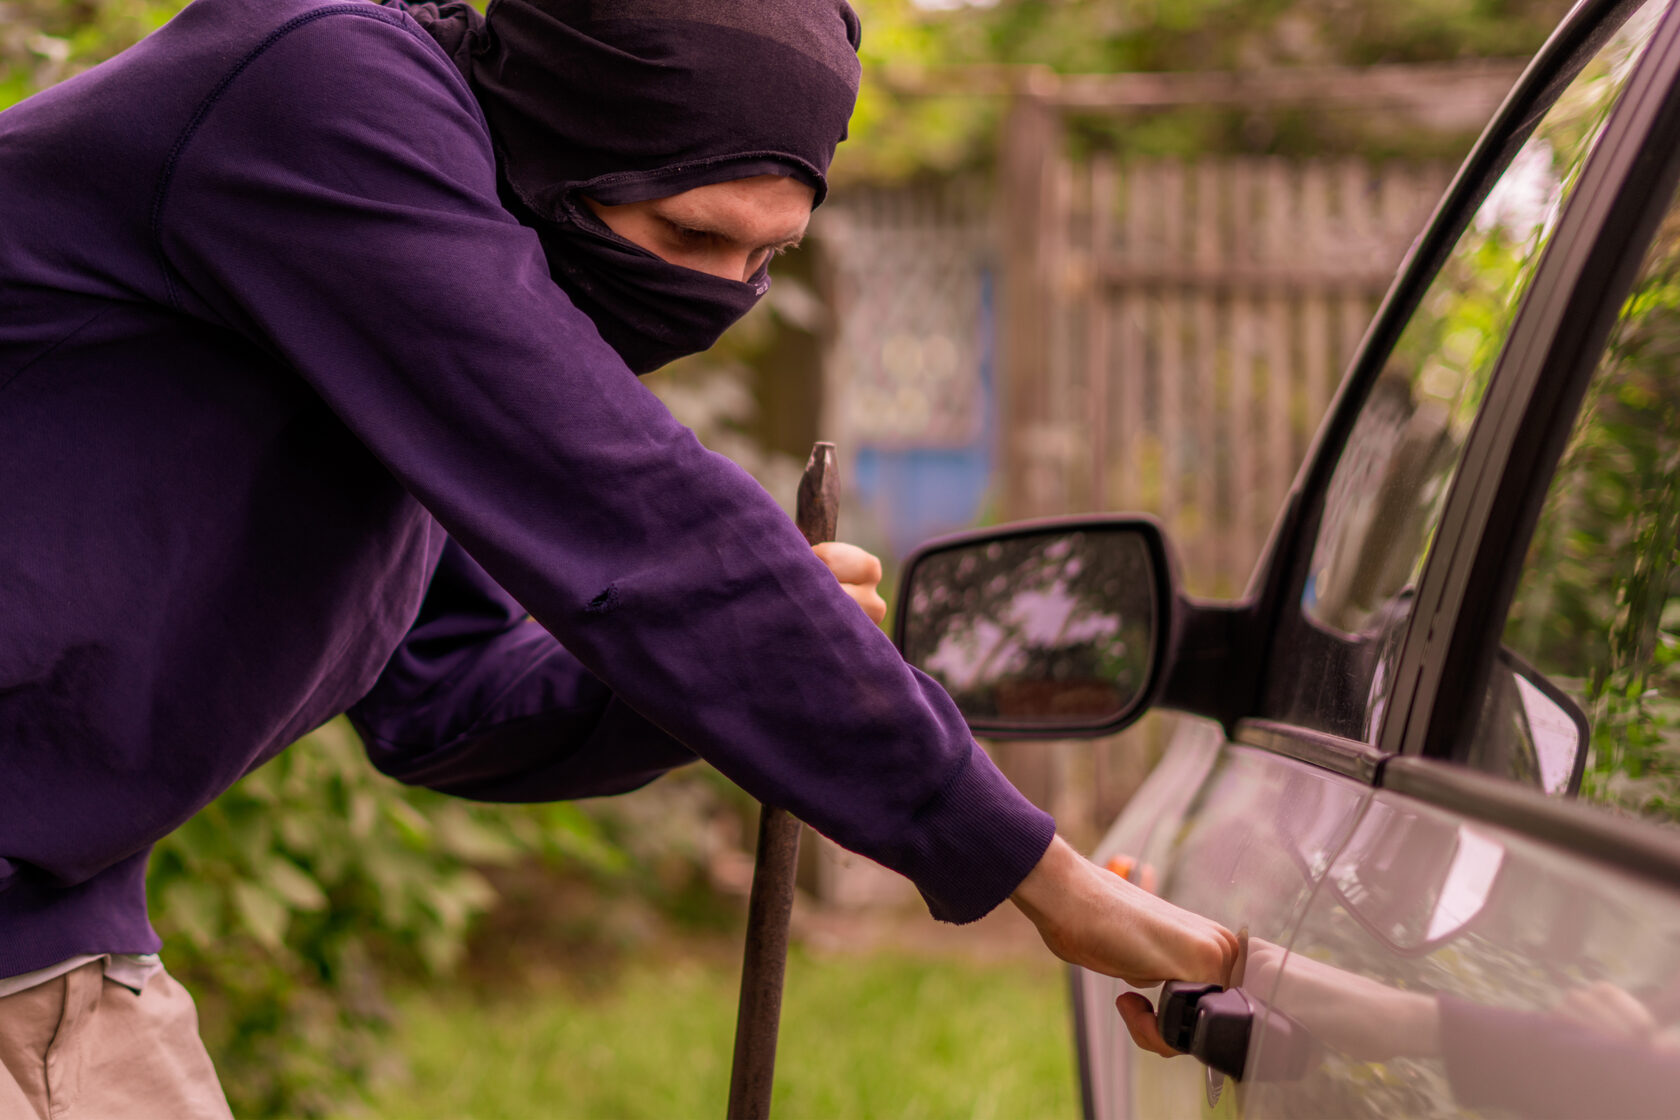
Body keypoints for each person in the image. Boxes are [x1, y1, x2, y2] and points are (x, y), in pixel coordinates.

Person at [0, 0, 1235, 1113]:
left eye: (765, 260)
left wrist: (729, 671)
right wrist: (1042, 875)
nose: (710, 298)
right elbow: (646, 527)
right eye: (685, 231)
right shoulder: (317, 98)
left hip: (58, 943)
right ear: (548, 151)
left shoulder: (397, 333)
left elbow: (449, 695)